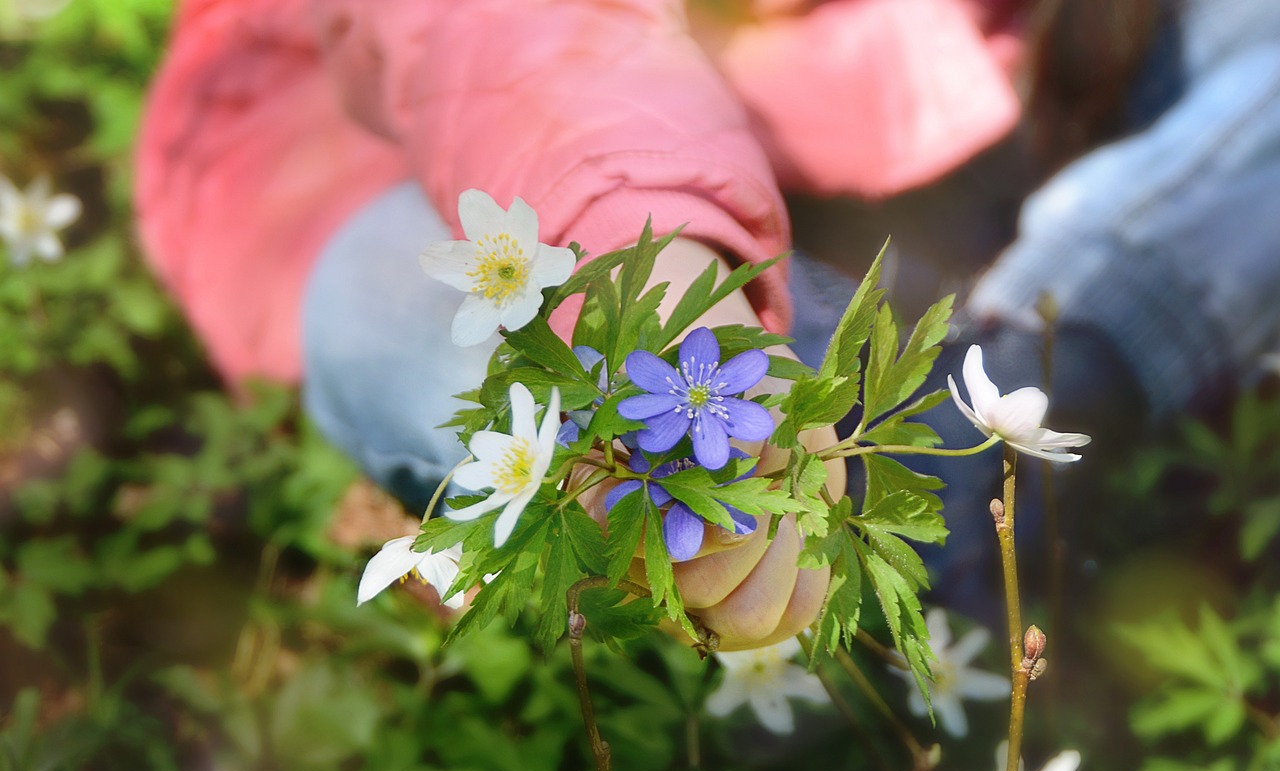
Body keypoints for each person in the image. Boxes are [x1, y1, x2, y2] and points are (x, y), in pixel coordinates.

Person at [135, 0, 1280, 639]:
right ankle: (914, 500)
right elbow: (508, 39)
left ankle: (1042, 393)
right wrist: (665, 277)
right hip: (403, 151)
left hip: (878, 91)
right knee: (445, 324)